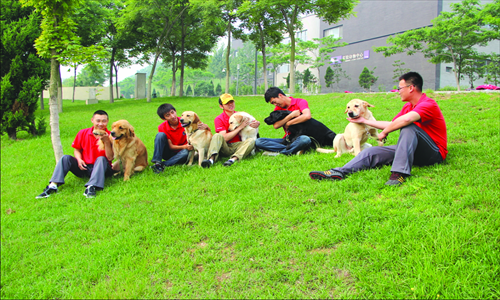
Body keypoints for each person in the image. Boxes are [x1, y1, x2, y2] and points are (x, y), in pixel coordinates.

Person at [309, 72, 447, 186]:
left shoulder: (428, 104)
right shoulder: (408, 107)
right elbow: (392, 123)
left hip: (434, 153)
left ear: (411, 88)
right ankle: (339, 172)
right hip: (411, 150)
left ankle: (398, 174)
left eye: (400, 88)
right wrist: (364, 121)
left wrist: (384, 133)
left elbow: (405, 121)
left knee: (408, 126)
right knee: (371, 151)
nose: (398, 92)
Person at [36, 110, 115, 199]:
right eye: (98, 121)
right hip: (85, 167)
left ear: (107, 121)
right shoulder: (83, 133)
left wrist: (106, 142)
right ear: (92, 120)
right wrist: (79, 159)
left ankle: (91, 187)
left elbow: (110, 157)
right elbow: (77, 150)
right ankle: (53, 186)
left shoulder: (111, 136)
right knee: (65, 158)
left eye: (103, 121)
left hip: (102, 169)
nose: (101, 124)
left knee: (101, 158)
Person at [201, 93, 259, 168]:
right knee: (217, 135)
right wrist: (240, 127)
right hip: (225, 147)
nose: (230, 105)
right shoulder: (219, 119)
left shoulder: (240, 115)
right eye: (226, 103)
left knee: (251, 140)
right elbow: (224, 138)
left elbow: (252, 123)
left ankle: (232, 160)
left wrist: (257, 123)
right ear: (221, 106)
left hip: (239, 145)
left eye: (231, 102)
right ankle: (211, 160)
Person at [255, 87, 312, 155]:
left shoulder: (300, 102)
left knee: (305, 139)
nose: (275, 105)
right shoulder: (278, 109)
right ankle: (293, 149)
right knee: (259, 141)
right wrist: (290, 116)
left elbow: (307, 116)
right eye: (273, 104)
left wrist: (289, 123)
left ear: (280, 95)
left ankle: (281, 152)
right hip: (287, 139)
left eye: (274, 102)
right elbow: (276, 126)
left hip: (299, 137)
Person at [150, 103, 193, 173]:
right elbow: (171, 147)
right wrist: (185, 146)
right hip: (169, 152)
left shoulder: (186, 122)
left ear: (175, 111)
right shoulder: (162, 127)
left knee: (186, 152)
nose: (172, 116)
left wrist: (205, 127)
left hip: (183, 153)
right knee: (160, 135)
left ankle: (163, 164)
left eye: (172, 112)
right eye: (168, 115)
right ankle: (157, 161)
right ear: (163, 118)